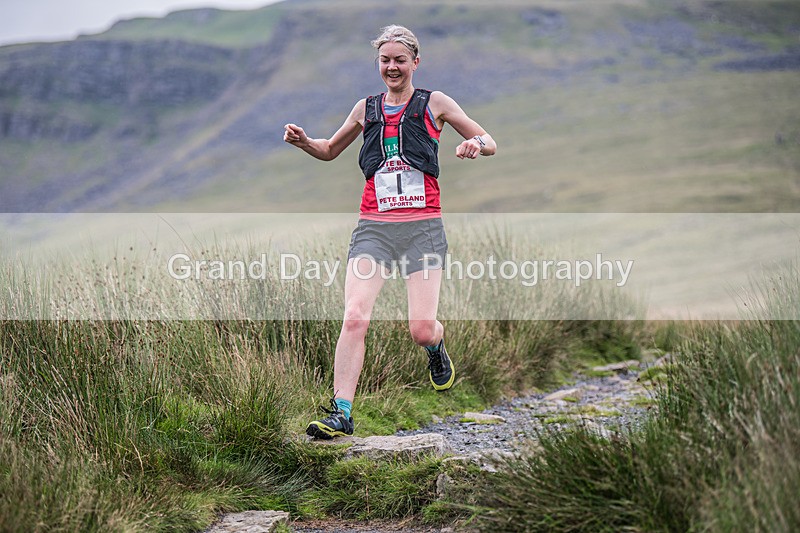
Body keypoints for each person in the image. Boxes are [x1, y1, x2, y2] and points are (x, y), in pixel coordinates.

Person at [283, 25, 497, 439]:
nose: (392, 67)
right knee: (354, 316)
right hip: (374, 230)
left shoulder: (434, 102)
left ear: (416, 62)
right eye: (385, 60)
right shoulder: (365, 109)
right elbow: (330, 150)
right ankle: (341, 413)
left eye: (400, 59)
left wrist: (477, 145)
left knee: (420, 327)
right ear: (378, 64)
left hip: (423, 230)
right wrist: (306, 142)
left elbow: (488, 140)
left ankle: (436, 346)